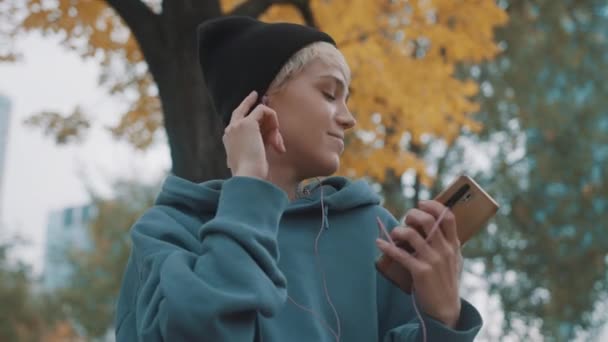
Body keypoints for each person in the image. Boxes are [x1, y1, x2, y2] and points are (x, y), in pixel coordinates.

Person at [114, 16, 483, 342]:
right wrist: (248, 192)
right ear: (261, 104)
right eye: (329, 93)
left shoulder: (374, 233)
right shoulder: (170, 231)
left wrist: (443, 318)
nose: (348, 118)